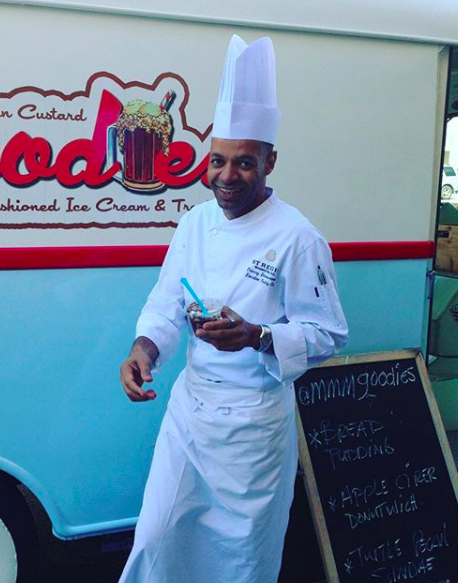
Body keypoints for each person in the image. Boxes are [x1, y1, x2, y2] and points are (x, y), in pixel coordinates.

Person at [119, 34, 348, 583]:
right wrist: (143, 348)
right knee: (156, 536)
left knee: (240, 558)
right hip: (190, 413)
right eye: (218, 160)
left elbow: (328, 333)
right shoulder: (194, 223)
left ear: (270, 159)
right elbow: (168, 300)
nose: (226, 176)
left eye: (244, 163)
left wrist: (258, 337)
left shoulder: (298, 237)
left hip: (252, 425)